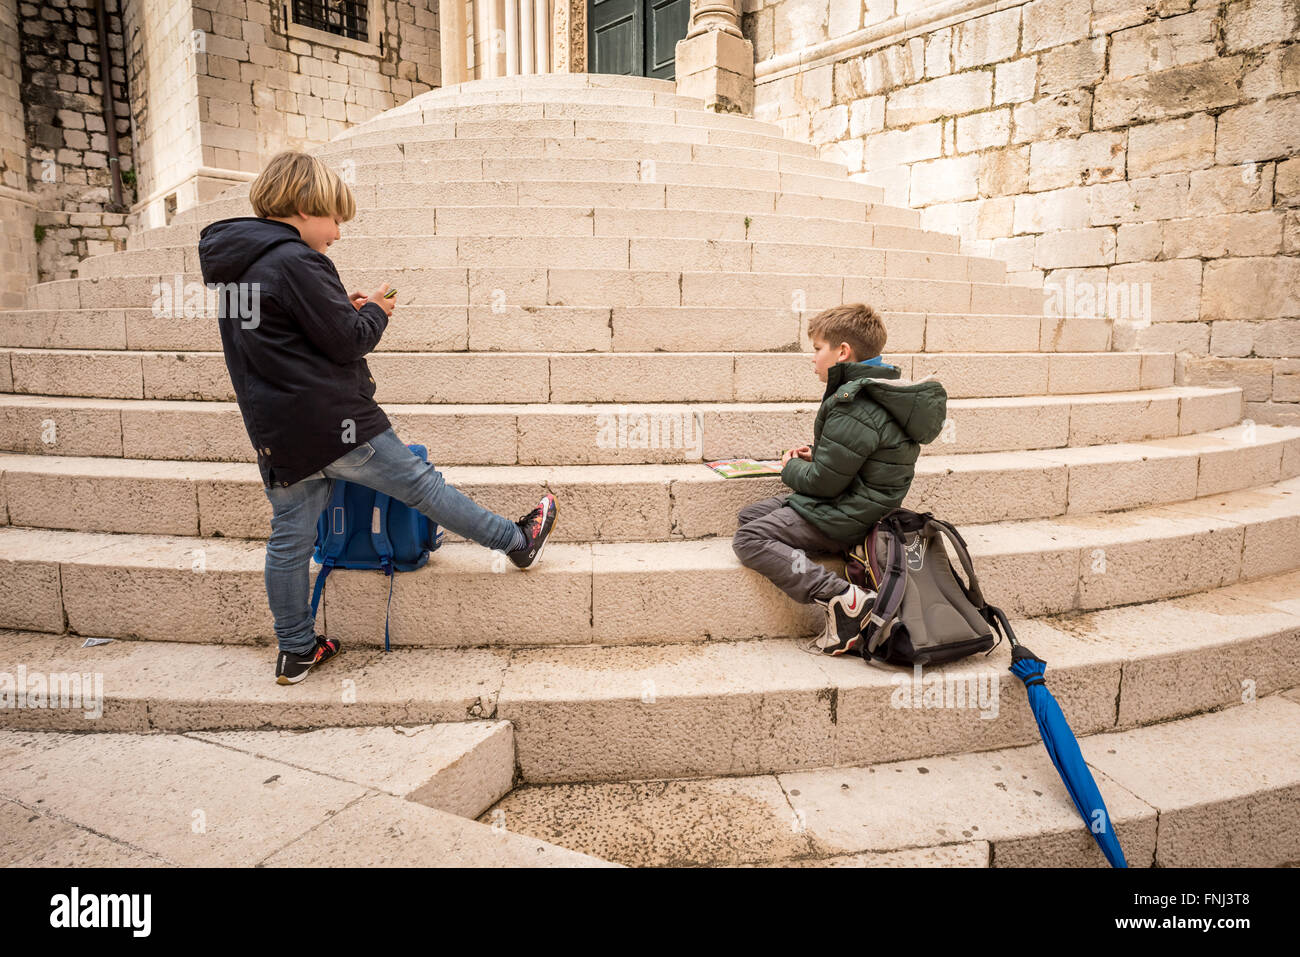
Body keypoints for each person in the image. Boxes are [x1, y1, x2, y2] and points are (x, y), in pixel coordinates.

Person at [198, 150, 557, 685]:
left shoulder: (239, 267)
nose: (337, 234)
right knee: (423, 487)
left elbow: (281, 336)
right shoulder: (298, 260)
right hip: (337, 423)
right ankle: (515, 541)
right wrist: (374, 311)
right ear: (303, 205)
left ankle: (296, 649)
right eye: (334, 220)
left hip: (279, 432)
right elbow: (348, 342)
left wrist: (335, 304)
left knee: (290, 539)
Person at [732, 303, 947, 656]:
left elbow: (822, 484)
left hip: (847, 512)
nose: (813, 359)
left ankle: (845, 598)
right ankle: (834, 552)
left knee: (748, 538)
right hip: (859, 504)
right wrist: (819, 456)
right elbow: (858, 459)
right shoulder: (880, 391)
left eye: (818, 349)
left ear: (842, 351)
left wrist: (789, 468)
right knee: (750, 516)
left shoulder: (853, 403)